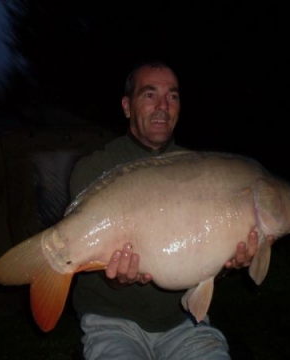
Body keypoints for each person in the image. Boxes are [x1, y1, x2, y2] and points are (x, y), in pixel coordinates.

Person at [69, 60, 267, 360]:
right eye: (150, 95)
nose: (163, 105)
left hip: (184, 323)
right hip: (111, 320)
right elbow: (84, 259)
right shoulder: (93, 169)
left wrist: (229, 262)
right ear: (126, 106)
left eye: (172, 96)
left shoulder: (203, 170)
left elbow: (202, 250)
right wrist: (114, 278)